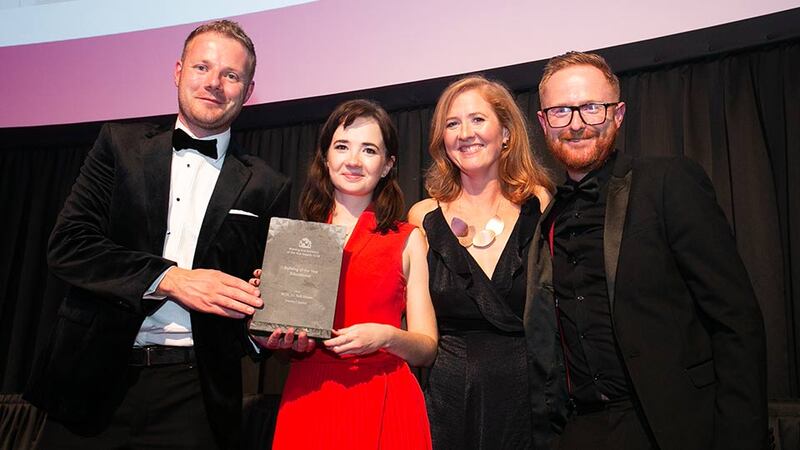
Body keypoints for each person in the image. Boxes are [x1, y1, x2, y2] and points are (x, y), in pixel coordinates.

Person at [24, 20, 290, 449]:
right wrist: (172, 279)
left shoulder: (267, 184)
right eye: (202, 67)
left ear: (248, 88)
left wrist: (263, 331)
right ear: (178, 71)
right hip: (91, 381)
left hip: (195, 395)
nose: (215, 84)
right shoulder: (119, 144)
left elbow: (255, 292)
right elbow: (69, 244)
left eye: (231, 75)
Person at [532, 51, 768, 450]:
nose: (576, 124)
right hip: (581, 430)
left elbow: (736, 321)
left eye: (592, 108)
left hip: (672, 425)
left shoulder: (668, 182)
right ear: (543, 122)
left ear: (618, 114)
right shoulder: (546, 216)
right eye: (560, 111)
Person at [253, 99, 438, 449]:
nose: (353, 160)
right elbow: (285, 347)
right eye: (342, 146)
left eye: (369, 150)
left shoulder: (407, 238)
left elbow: (426, 348)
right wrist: (272, 324)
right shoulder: (295, 241)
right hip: (308, 396)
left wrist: (386, 337)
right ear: (325, 158)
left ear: (387, 165)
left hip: (384, 395)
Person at [408, 75, 564, 450]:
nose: (465, 133)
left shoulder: (539, 204)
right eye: (452, 123)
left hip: (527, 395)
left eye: (477, 119)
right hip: (446, 398)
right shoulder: (422, 216)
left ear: (506, 132)